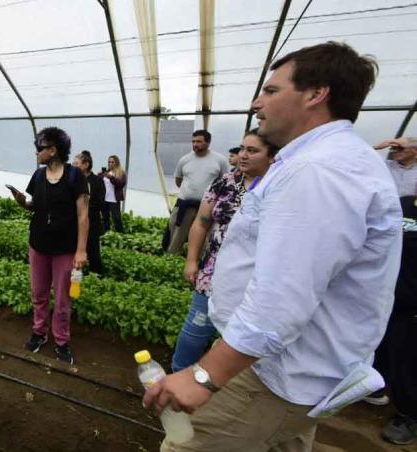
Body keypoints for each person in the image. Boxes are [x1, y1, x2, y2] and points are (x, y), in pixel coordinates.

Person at [143, 42, 402, 452]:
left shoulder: (317, 171)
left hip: (274, 373)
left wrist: (204, 376)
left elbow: (282, 296)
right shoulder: (324, 161)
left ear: (316, 94)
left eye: (272, 90)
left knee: (185, 447)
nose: (257, 102)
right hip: (286, 366)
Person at [170, 129, 279, 373]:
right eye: (242, 149)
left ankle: (222, 385)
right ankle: (178, 374)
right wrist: (191, 260)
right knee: (196, 327)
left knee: (242, 336)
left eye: (252, 151)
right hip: (214, 270)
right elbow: (201, 222)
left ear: (272, 156)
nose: (243, 155)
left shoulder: (280, 187)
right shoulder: (226, 182)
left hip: (257, 276)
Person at [13, 127, 88, 365]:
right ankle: (39, 332)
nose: (37, 153)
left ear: (53, 150)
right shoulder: (38, 176)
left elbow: (83, 217)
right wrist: (22, 202)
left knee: (63, 299)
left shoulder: (75, 177)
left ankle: (62, 341)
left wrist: (81, 250)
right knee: (38, 294)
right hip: (39, 245)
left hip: (65, 248)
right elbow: (35, 206)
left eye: (40, 148)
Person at [369, 136, 417, 444]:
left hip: (412, 303)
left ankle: (409, 414)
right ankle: (375, 387)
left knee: (409, 357)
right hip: (388, 294)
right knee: (381, 345)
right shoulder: (402, 205)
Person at [166, 130, 229, 255]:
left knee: (203, 237)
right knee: (176, 233)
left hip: (206, 206)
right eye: (193, 141)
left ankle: (198, 261)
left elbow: (224, 181)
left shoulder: (219, 160)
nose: (195, 144)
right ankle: (172, 258)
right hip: (185, 204)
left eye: (199, 141)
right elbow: (178, 180)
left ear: (208, 142)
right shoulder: (185, 159)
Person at [73, 150, 105, 274]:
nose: (73, 166)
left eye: (76, 164)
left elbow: (100, 203)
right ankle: (76, 278)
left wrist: (83, 208)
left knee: (94, 255)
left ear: (86, 165)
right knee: (74, 254)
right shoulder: (73, 179)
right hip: (74, 224)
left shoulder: (96, 181)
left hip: (91, 225)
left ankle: (98, 278)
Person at [100, 155, 126, 233]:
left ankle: (120, 234)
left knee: (116, 218)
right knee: (105, 218)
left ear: (116, 163)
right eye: (109, 162)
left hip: (114, 199)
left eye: (112, 162)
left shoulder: (121, 173)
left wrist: (111, 178)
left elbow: (121, 184)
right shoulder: (106, 172)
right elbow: (101, 184)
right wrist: (100, 176)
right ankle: (106, 233)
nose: (110, 163)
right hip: (105, 199)